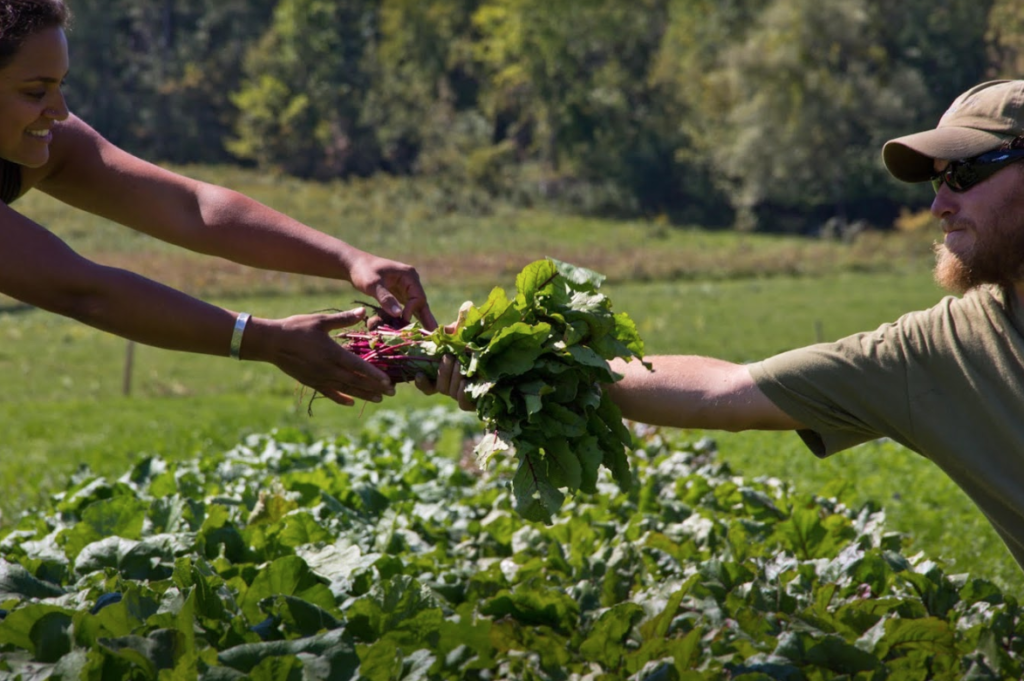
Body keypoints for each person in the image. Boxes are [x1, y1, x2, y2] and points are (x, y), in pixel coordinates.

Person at [422, 79, 1024, 573]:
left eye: (965, 176)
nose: (939, 205)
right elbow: (724, 392)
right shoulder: (945, 348)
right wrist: (531, 361)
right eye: (937, 180)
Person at [0, 0, 437, 407]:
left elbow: (192, 209)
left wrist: (351, 260)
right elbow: (82, 291)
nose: (59, 111)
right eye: (36, 92)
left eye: (60, 86)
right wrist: (265, 340)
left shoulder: (48, 140)